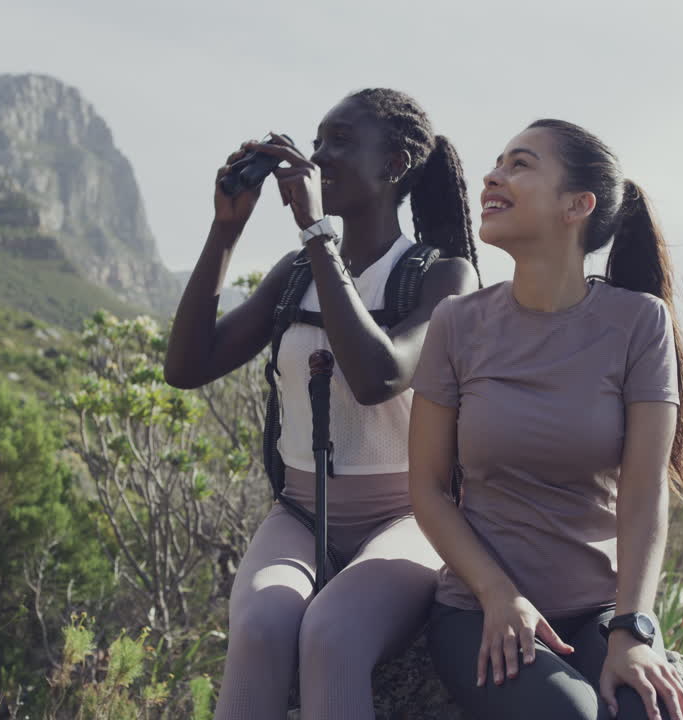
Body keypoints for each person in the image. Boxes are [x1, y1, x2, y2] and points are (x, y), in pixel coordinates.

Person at [163, 88, 480, 720]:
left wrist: (316, 233)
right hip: (300, 514)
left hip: (408, 517)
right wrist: (226, 230)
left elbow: (378, 376)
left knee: (333, 636)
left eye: (339, 142)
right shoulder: (297, 273)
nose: (316, 157)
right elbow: (187, 367)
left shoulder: (443, 276)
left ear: (394, 165)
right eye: (316, 141)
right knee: (260, 628)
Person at [408, 119, 683, 720]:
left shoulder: (637, 323)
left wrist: (633, 630)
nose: (493, 175)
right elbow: (428, 489)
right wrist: (499, 594)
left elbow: (645, 494)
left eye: (520, 164)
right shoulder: (456, 323)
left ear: (578, 205)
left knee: (655, 713)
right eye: (497, 162)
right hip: (481, 610)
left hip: (596, 609)